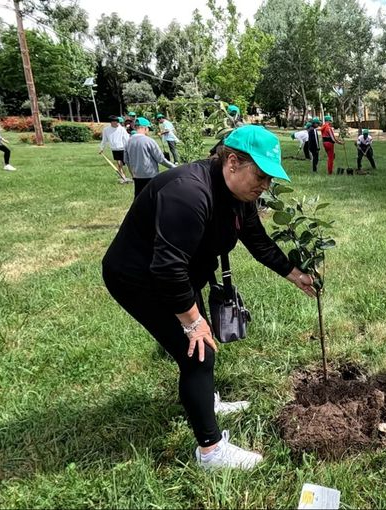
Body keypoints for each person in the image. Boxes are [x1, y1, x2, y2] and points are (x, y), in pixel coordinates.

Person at [102, 125, 316, 470]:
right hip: (140, 279)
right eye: (260, 177)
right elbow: (166, 269)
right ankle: (211, 451)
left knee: (201, 345)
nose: (265, 187)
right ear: (232, 162)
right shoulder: (187, 193)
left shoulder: (238, 196)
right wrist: (191, 321)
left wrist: (296, 276)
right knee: (198, 354)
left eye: (269, 180)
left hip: (176, 277)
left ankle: (206, 400)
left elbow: (257, 241)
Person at [124, 117, 176, 197]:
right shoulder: (149, 141)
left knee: (139, 199)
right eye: (148, 129)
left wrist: (132, 174)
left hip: (137, 176)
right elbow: (160, 159)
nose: (148, 131)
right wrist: (173, 167)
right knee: (153, 199)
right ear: (144, 128)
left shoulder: (128, 141)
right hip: (150, 176)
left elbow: (126, 160)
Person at [99, 116, 131, 183]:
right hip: (115, 149)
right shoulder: (106, 130)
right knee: (119, 164)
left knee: (128, 163)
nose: (116, 123)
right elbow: (104, 140)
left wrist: (129, 148)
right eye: (114, 122)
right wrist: (101, 148)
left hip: (123, 148)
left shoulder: (122, 129)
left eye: (117, 122)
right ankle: (123, 177)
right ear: (111, 122)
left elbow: (126, 139)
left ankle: (133, 176)